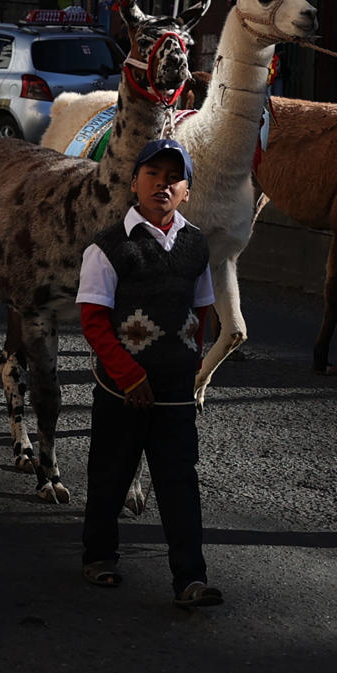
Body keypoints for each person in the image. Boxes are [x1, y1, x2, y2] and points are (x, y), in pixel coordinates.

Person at [76, 137, 223, 609]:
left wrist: (191, 366)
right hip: (121, 387)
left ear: (186, 190)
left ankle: (190, 578)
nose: (162, 184)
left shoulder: (197, 244)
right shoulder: (108, 247)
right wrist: (129, 375)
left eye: (173, 177)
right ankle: (99, 556)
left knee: (178, 479)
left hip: (176, 391)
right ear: (134, 182)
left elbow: (202, 311)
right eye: (153, 174)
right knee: (110, 474)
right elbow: (94, 321)